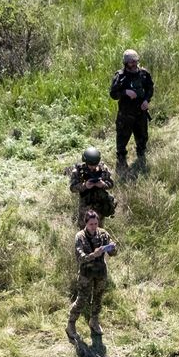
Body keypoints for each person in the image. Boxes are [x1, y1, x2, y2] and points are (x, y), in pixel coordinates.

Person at [69, 210, 115, 345]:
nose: (94, 226)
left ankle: (94, 321)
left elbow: (114, 253)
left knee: (98, 298)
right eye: (91, 224)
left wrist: (112, 248)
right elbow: (80, 258)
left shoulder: (103, 234)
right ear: (85, 223)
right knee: (81, 300)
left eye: (96, 223)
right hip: (86, 274)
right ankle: (71, 325)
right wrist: (94, 254)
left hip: (101, 272)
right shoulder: (80, 237)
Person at [109, 49, 153, 173]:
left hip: (140, 113)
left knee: (142, 136)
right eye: (131, 62)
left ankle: (141, 154)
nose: (134, 64)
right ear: (125, 63)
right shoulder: (120, 76)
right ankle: (122, 159)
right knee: (122, 139)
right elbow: (113, 94)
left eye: (135, 61)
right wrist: (125, 92)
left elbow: (150, 88)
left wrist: (146, 100)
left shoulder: (143, 74)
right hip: (125, 114)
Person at [67, 147, 116, 226]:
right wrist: (84, 185)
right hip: (85, 206)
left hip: (100, 205)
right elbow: (72, 188)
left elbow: (111, 183)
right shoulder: (78, 171)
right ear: (85, 161)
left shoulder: (103, 169)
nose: (93, 167)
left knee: (98, 229)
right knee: (84, 228)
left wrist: (103, 184)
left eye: (95, 165)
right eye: (90, 165)